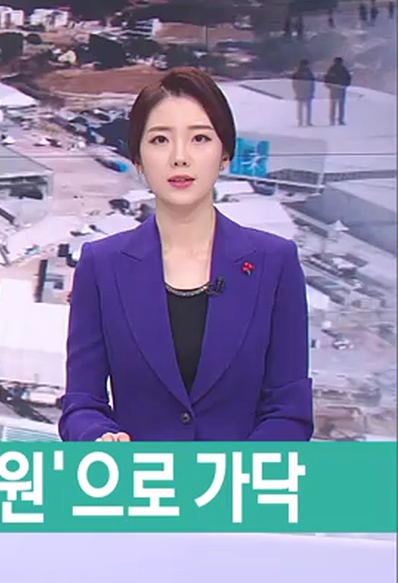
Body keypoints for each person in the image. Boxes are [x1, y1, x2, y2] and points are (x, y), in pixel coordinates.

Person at [58, 67, 313, 442]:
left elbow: (289, 412)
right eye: (160, 140)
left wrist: (238, 470)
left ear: (225, 154)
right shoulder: (101, 265)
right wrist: (98, 437)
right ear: (138, 159)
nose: (180, 157)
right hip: (141, 478)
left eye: (200, 138)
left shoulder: (275, 264)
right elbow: (82, 404)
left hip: (239, 478)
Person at [323, 57, 351, 126]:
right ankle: (340, 120)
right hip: (341, 88)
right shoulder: (343, 69)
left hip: (334, 88)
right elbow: (348, 78)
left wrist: (328, 85)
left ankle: (332, 119)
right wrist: (346, 85)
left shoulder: (332, 69)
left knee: (333, 105)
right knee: (341, 105)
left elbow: (327, 78)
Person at [290, 59, 315, 126]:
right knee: (303, 107)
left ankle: (306, 121)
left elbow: (294, 83)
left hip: (304, 91)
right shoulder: (307, 72)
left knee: (304, 107)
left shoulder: (298, 72)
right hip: (303, 91)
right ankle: (302, 121)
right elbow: (295, 83)